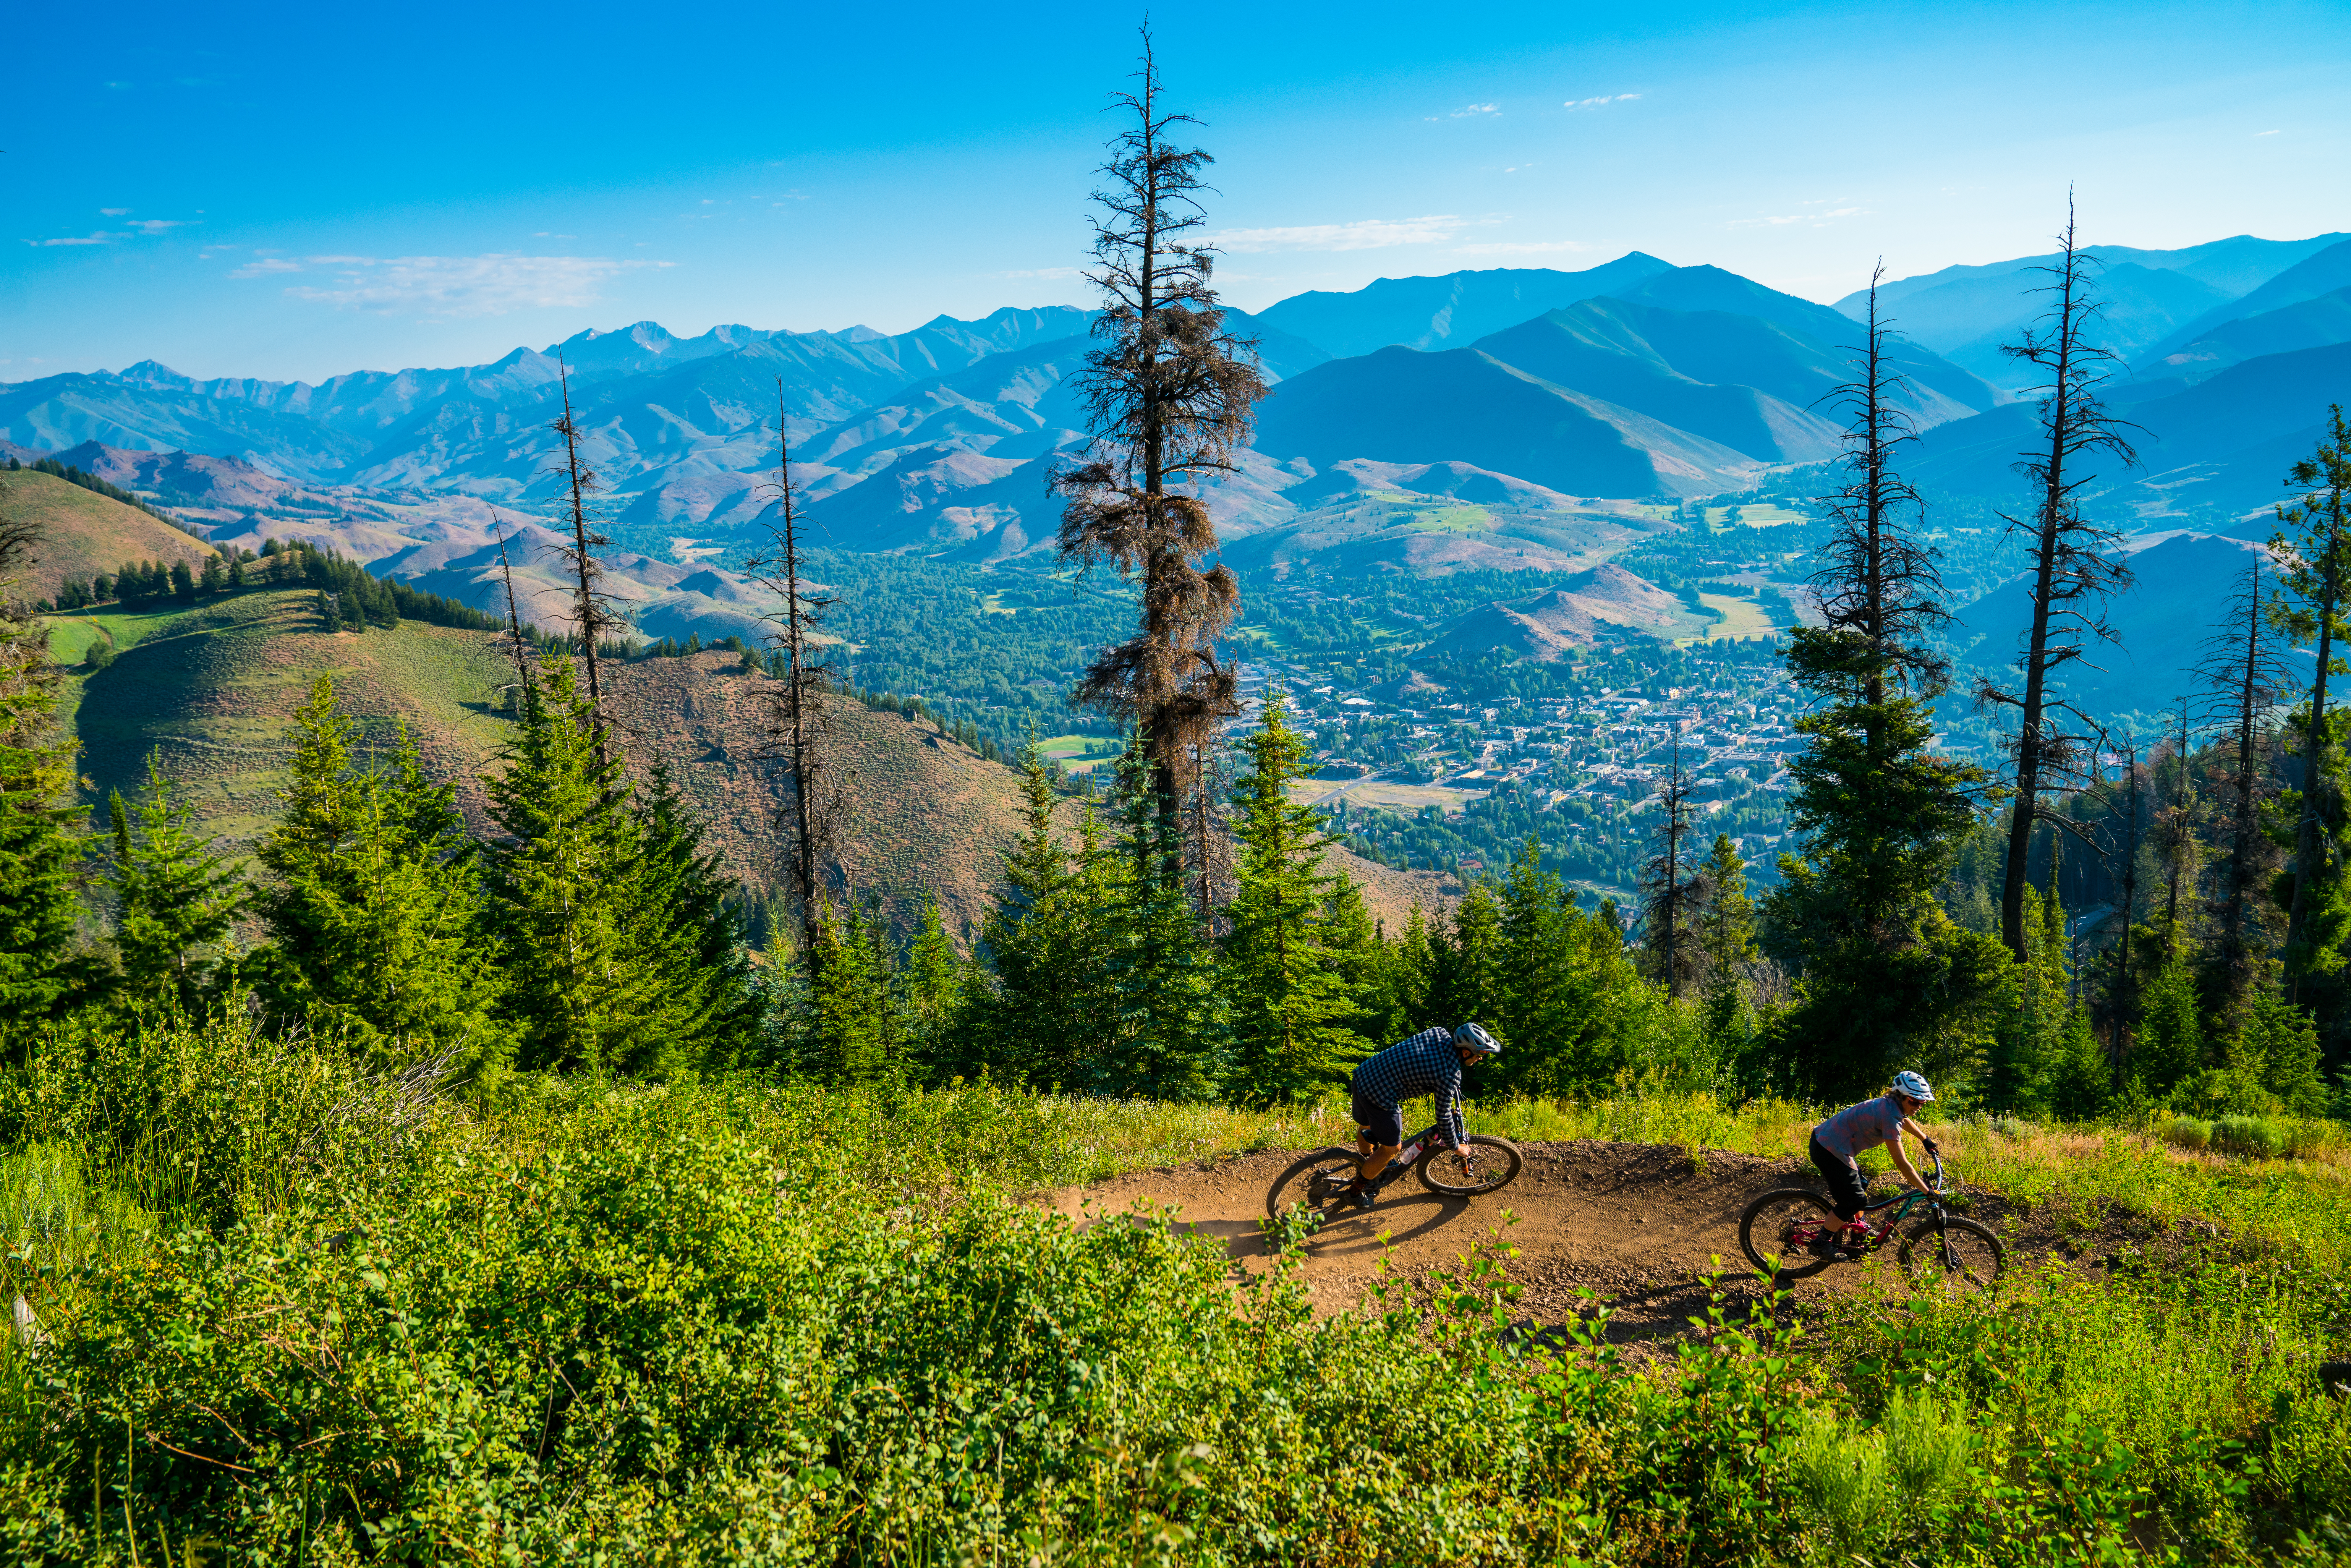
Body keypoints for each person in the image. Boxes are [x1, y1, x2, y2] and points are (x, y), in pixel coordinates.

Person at [1344, 1022, 1502, 1207]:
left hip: (1364, 1075)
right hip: (1379, 1095)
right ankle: (1355, 1192)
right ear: (1466, 1052)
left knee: (1367, 1125)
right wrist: (1456, 1146)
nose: (1481, 1059)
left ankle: (1366, 1159)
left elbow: (1422, 1058)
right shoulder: (1450, 1075)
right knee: (1393, 1149)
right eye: (1480, 1054)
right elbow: (1443, 1116)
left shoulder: (1439, 1033)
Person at [1810, 1070, 1942, 1254]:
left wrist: (1925, 1139)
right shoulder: (1889, 1116)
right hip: (1827, 1148)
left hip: (1832, 1144)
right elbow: (1902, 1163)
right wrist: (1926, 1190)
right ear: (1901, 1096)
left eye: (1922, 1102)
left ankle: (1860, 1231)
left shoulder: (1892, 1105)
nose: (1918, 1106)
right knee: (1854, 1201)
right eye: (1914, 1101)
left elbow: (1903, 1120)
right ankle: (1820, 1243)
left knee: (1861, 1185)